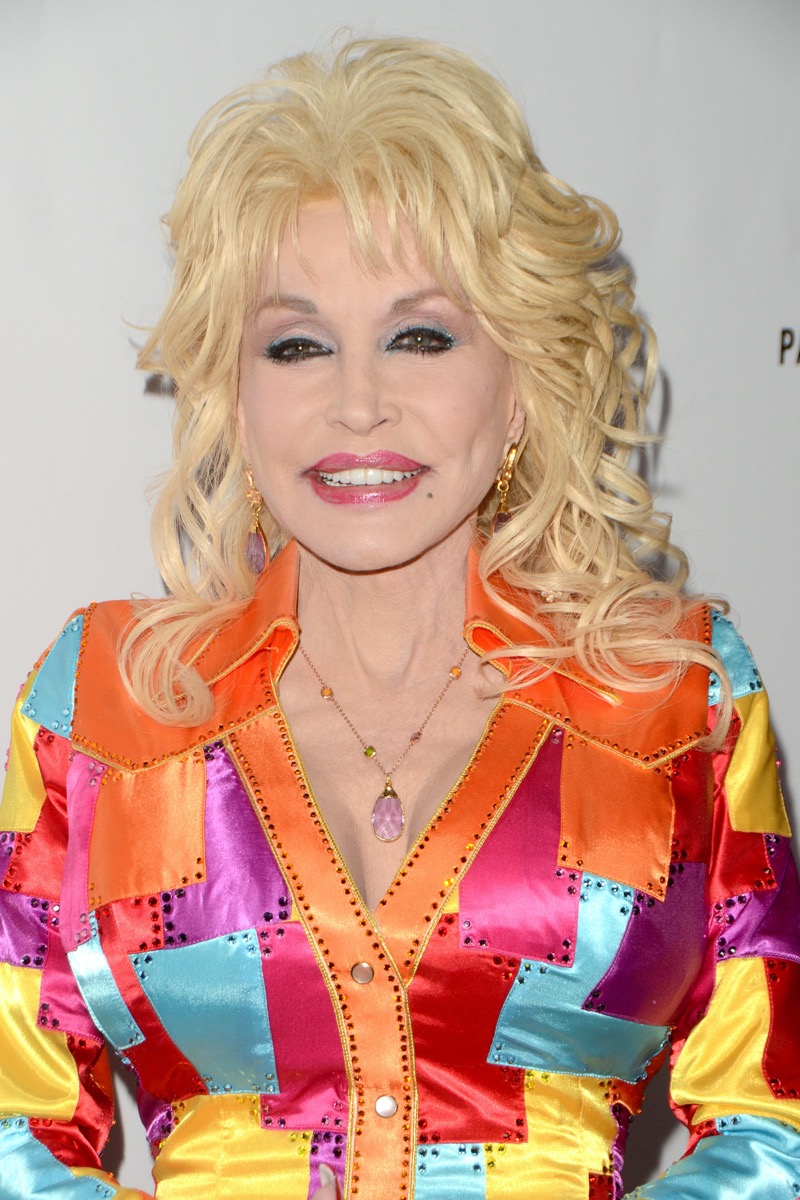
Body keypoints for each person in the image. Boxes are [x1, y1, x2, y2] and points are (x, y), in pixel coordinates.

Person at [0, 35, 798, 1200]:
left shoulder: (673, 697)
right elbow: (14, 1131)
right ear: (236, 395)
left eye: (419, 337)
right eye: (297, 345)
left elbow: (772, 1128)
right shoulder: (109, 703)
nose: (358, 402)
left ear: (519, 383)